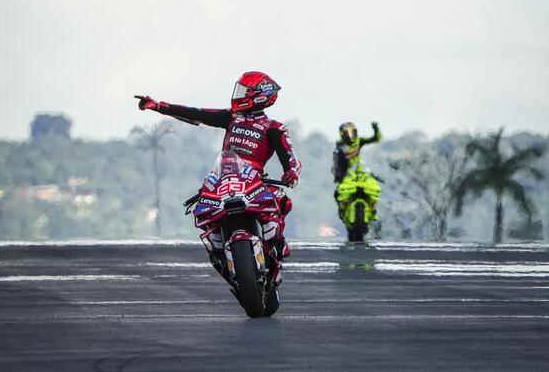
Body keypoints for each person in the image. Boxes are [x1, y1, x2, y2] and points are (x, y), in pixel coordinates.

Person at [135, 70, 301, 256]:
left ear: (260, 96)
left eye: (243, 92)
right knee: (203, 208)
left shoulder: (274, 128)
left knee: (281, 200)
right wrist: (159, 106)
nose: (237, 96)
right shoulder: (231, 117)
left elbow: (290, 157)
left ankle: (278, 244)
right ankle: (219, 250)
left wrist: (291, 173)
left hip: (255, 181)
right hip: (224, 178)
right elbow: (196, 114)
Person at [332, 121, 381, 219]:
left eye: (352, 132)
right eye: (347, 133)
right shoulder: (339, 146)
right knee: (337, 193)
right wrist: (338, 175)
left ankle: (373, 209)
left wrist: (376, 129)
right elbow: (336, 163)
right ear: (342, 134)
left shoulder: (359, 141)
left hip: (360, 171)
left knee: (374, 187)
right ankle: (342, 210)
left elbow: (376, 138)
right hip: (346, 174)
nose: (350, 136)